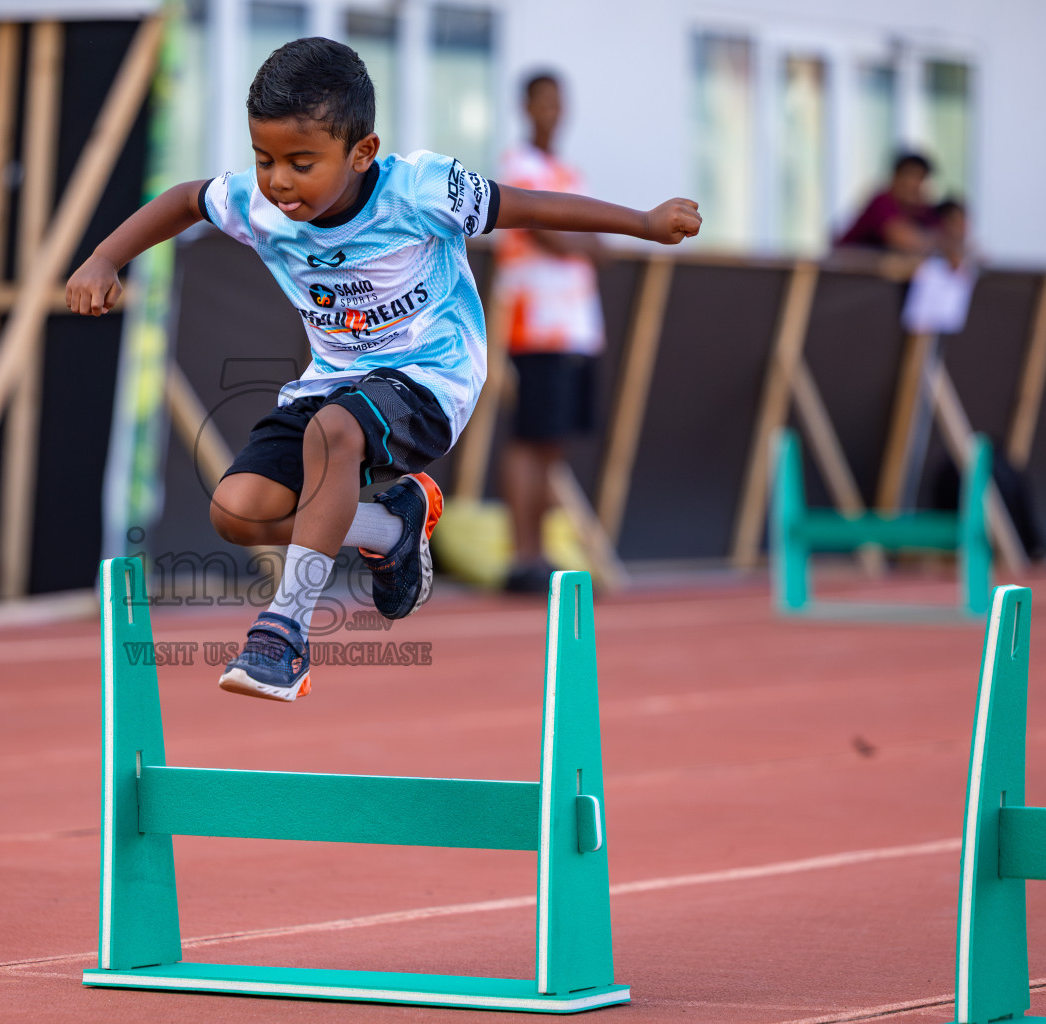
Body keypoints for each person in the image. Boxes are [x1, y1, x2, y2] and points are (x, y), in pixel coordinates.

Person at [65, 37, 700, 702]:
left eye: (301, 163)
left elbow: (534, 206)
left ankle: (285, 631)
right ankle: (392, 526)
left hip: (432, 376)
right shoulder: (258, 203)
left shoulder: (421, 189)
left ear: (362, 152)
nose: (279, 181)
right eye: (265, 159)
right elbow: (187, 200)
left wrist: (644, 222)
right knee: (238, 511)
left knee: (334, 433)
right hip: (334, 379)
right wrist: (105, 258)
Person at [494, 71, 607, 593]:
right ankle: (523, 556)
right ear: (526, 107)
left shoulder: (570, 172)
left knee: (552, 443)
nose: (552, 111)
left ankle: (538, 553)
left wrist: (581, 239)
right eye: (543, 102)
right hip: (535, 320)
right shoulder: (517, 166)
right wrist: (582, 239)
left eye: (559, 102)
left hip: (577, 325)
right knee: (529, 438)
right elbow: (552, 235)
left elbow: (584, 240)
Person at [838, 152, 942, 253]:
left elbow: (948, 235)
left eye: (921, 179)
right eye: (911, 177)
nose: (916, 186)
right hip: (846, 267)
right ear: (896, 177)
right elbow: (906, 241)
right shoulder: (881, 203)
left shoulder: (922, 211)